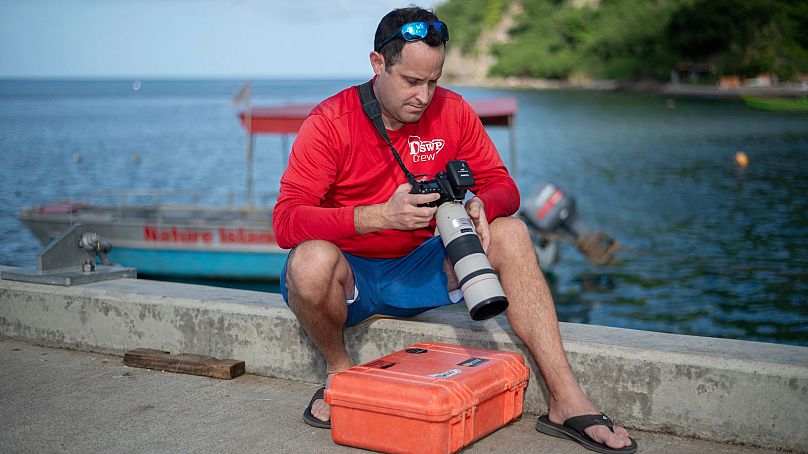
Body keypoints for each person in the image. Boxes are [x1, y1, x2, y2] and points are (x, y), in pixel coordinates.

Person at [272, 6, 637, 454]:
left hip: (424, 267)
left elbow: (504, 185)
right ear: (377, 64)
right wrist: (378, 216)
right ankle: (339, 371)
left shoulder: (453, 111)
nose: (424, 96)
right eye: (411, 81)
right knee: (309, 261)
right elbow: (286, 220)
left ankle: (567, 400)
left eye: (433, 81)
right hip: (353, 276)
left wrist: (485, 203)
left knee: (512, 232)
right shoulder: (330, 122)